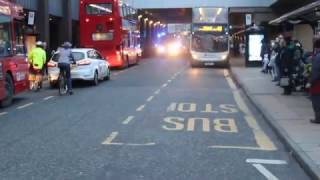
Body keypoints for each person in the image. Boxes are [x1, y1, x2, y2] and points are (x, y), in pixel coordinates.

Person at [310, 36, 320, 124]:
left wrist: (311, 82)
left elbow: (315, 71)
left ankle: (318, 118)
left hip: (317, 83)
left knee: (316, 101)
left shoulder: (317, 57)